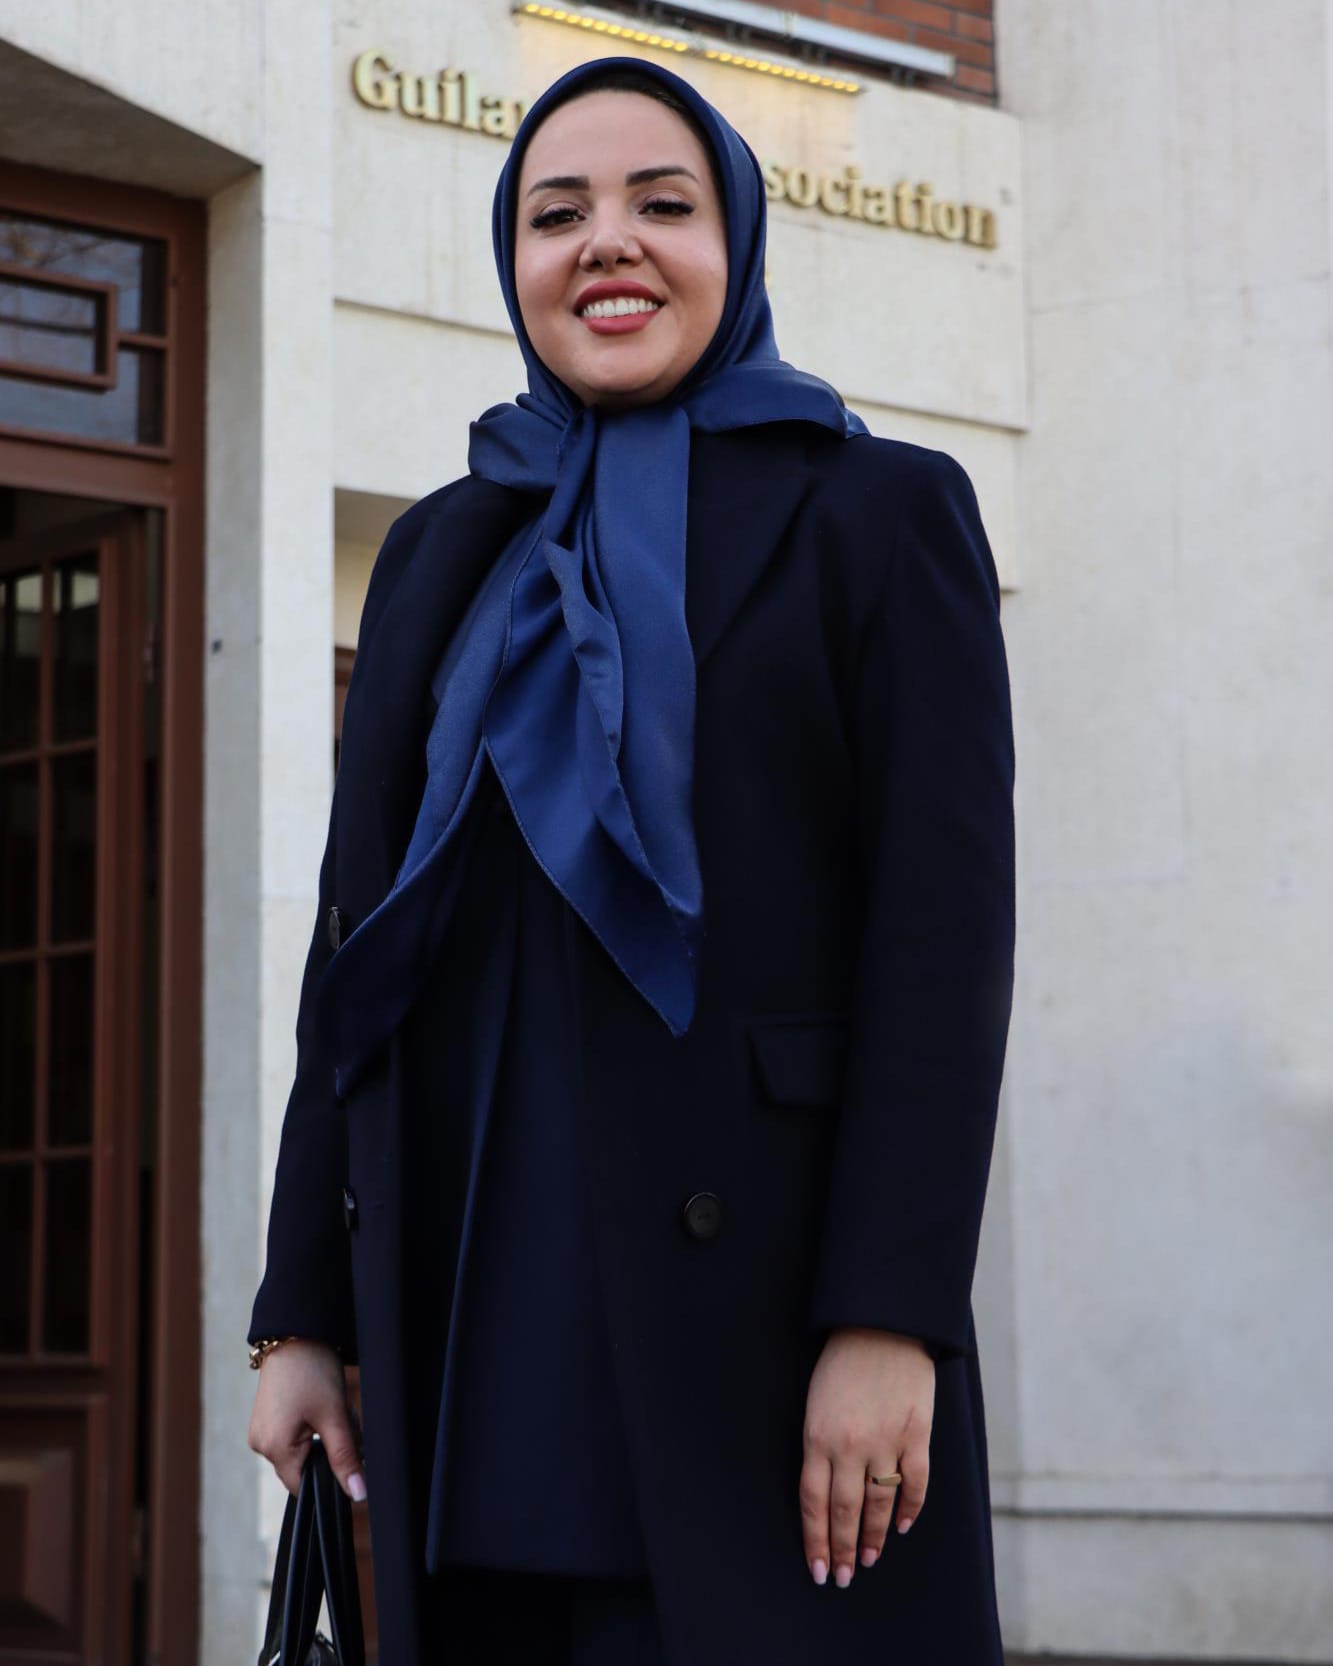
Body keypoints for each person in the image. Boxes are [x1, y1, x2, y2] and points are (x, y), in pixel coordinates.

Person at [247, 54, 1015, 1666]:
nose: (605, 241)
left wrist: (888, 1317)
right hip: (475, 1312)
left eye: (660, 204)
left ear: (734, 238)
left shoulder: (879, 514)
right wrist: (301, 1306)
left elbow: (939, 950)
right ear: (511, 260)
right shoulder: (438, 548)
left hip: (766, 1333)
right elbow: (353, 953)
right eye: (556, 213)